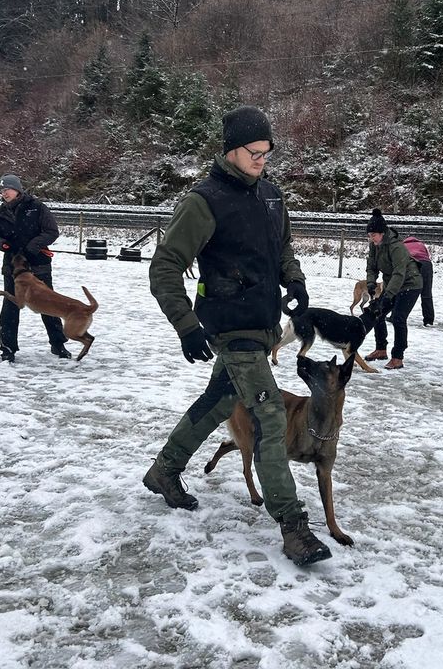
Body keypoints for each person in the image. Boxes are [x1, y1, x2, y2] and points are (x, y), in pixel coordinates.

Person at [144, 105, 332, 567]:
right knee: (268, 419)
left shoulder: (271, 196)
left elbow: (282, 248)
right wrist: (186, 326)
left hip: (263, 325)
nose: (262, 160)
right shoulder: (204, 201)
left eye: (268, 152)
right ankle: (294, 528)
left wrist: (297, 281)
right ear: (230, 149)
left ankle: (164, 471)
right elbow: (164, 267)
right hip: (229, 328)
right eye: (254, 152)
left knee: (218, 403)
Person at [0, 174, 71, 362]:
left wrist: (32, 247)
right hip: (13, 268)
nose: (4, 194)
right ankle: (7, 348)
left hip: (38, 265)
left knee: (49, 305)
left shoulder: (36, 207)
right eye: (1, 191)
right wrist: (1, 244)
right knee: (10, 308)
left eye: (6, 189)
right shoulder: (0, 213)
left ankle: (58, 344)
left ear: (17, 189)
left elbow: (51, 232)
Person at [363, 208, 422, 370]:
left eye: (373, 235)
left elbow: (399, 273)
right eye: (369, 235)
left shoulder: (396, 247)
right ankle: (381, 349)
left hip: (410, 284)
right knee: (378, 313)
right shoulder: (375, 245)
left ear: (382, 233)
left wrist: (388, 295)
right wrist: (371, 283)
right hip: (393, 284)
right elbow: (371, 266)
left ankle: (398, 357)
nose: (371, 238)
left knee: (398, 318)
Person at [403, 235, 434, 326]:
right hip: (426, 265)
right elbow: (427, 256)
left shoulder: (403, 245)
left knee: (405, 291)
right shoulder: (421, 244)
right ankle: (429, 320)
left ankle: (398, 316)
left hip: (412, 264)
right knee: (427, 294)